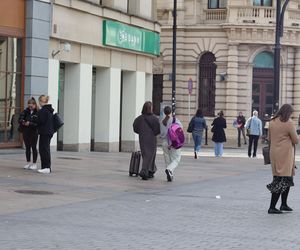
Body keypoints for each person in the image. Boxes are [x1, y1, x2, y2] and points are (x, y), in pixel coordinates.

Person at [266, 104, 299, 214]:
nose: (291, 115)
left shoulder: (272, 122)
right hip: (284, 154)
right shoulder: (288, 123)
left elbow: (269, 138)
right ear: (287, 112)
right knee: (280, 181)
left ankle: (284, 204)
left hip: (274, 153)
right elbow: (295, 140)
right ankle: (272, 207)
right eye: (290, 113)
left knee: (287, 179)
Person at [133, 101, 160, 180]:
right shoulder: (155, 118)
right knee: (151, 155)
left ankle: (151, 170)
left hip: (142, 138)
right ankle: (145, 171)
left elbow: (135, 128)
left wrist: (141, 132)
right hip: (152, 139)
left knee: (145, 155)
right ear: (151, 109)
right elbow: (158, 130)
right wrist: (154, 133)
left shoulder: (139, 118)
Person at [160, 106, 182, 182]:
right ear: (171, 112)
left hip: (164, 142)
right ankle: (169, 170)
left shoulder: (162, 121)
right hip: (173, 143)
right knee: (176, 159)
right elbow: (180, 131)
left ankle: (169, 174)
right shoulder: (175, 120)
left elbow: (162, 134)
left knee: (167, 160)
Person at [19, 98, 39, 170]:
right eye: (29, 106)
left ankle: (34, 163)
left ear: (34, 105)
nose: (30, 108)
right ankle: (28, 162)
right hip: (26, 131)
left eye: (31, 106)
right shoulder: (25, 111)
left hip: (34, 132)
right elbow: (20, 119)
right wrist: (23, 121)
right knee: (27, 147)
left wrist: (30, 123)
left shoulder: (37, 112)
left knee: (34, 147)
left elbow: (37, 123)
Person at [37, 95, 54, 174]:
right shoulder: (49, 109)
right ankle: (46, 167)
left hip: (45, 132)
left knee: (43, 149)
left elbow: (40, 121)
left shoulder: (43, 110)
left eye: (39, 101)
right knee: (45, 149)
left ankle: (46, 167)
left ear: (41, 101)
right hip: (49, 132)